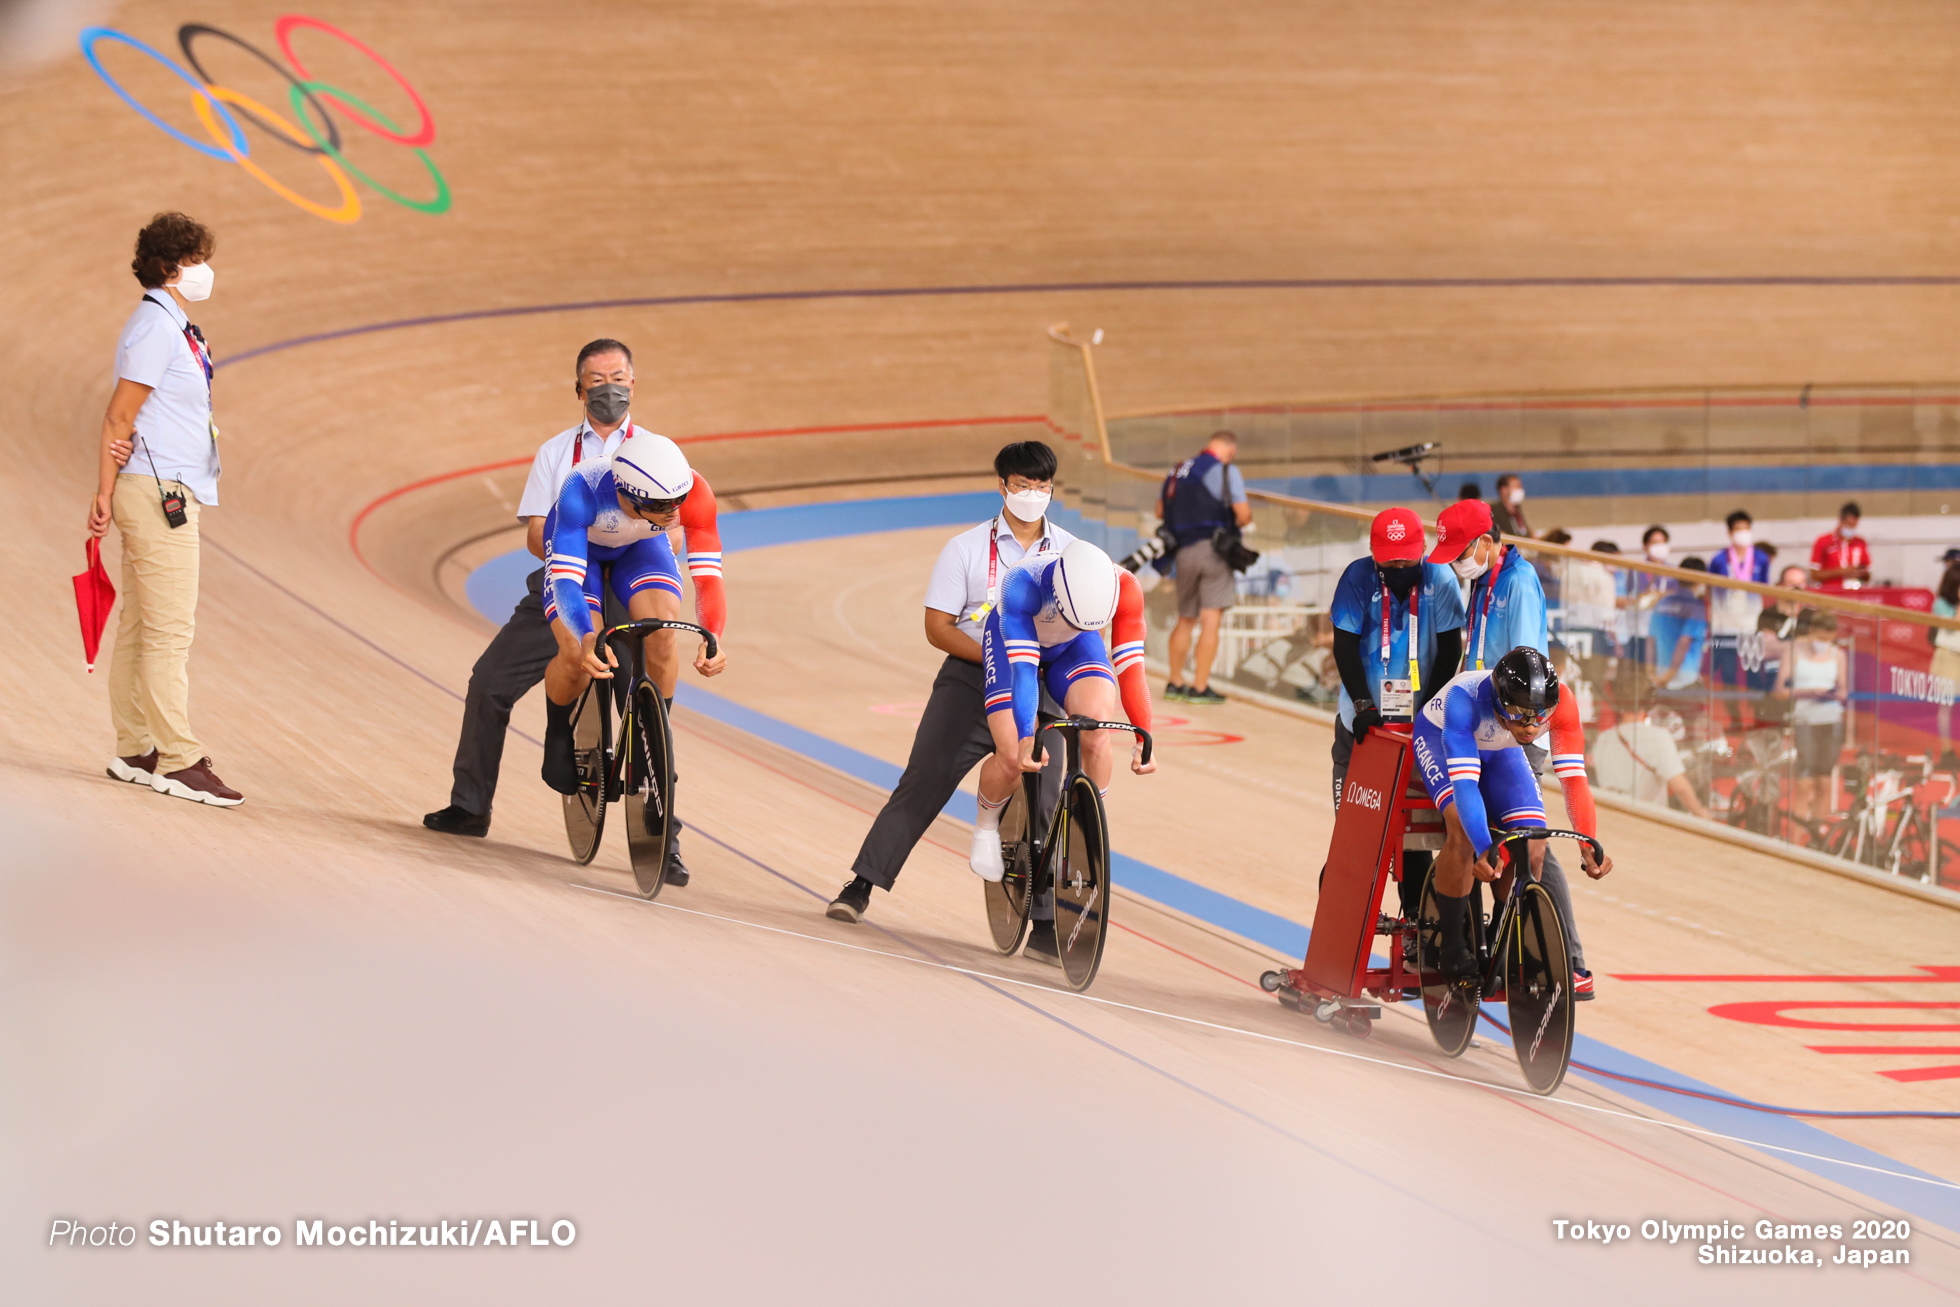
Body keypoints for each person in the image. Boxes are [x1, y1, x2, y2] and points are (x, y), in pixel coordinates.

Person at [827, 442, 1071, 924]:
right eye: (1023, 485)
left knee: (1046, 794)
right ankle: (862, 883)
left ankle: (1042, 917)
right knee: (924, 781)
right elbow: (938, 627)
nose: (1033, 494)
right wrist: (999, 656)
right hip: (971, 680)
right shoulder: (965, 548)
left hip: (1037, 683)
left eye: (1042, 486)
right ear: (1002, 486)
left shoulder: (1067, 551)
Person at [425, 338, 647, 838]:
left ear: (633, 383)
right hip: (564, 582)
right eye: (596, 381)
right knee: (489, 683)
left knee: (645, 696)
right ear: (578, 389)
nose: (608, 389)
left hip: (626, 588)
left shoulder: (654, 451)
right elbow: (534, 533)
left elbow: (671, 527)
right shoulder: (555, 453)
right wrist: (575, 550)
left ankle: (664, 834)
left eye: (617, 378)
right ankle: (470, 805)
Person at [88, 212, 241, 806]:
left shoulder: (173, 325)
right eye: (197, 259)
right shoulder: (156, 327)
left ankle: (136, 747)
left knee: (140, 624)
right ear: (171, 267)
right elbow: (118, 416)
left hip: (157, 485)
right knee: (169, 631)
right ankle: (179, 758)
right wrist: (103, 492)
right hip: (159, 494)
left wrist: (110, 490)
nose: (206, 269)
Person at [537, 422, 729, 886]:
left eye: (677, 504)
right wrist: (585, 635)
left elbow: (708, 576)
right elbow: (565, 582)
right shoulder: (581, 490)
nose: (674, 513)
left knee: (663, 631)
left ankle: (651, 733)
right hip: (579, 553)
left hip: (639, 551)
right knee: (579, 651)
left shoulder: (691, 494)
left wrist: (713, 634)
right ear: (627, 492)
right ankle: (558, 732)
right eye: (662, 507)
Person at [1428, 498, 1598, 996]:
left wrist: (1515, 724)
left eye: (1461, 553)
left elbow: (1528, 668)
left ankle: (1569, 958)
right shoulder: (1484, 576)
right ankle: (1497, 935)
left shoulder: (1518, 582)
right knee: (1498, 835)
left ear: (1485, 542)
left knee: (1532, 843)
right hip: (1481, 715)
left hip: (1515, 719)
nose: (1456, 564)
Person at [969, 541, 1156, 963]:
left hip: (1076, 645)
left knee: (1096, 729)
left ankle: (1088, 824)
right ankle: (984, 827)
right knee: (1012, 755)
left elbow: (1131, 668)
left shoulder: (1125, 588)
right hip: (1011, 640)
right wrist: (1023, 734)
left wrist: (1145, 733)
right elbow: (1023, 671)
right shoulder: (1022, 585)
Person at [1411, 648, 1610, 993]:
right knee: (1461, 831)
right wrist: (1485, 847)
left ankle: (1495, 941)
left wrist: (1587, 843)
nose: (1531, 726)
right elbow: (1466, 786)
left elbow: (1574, 779)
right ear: (1501, 700)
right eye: (1519, 715)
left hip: (1500, 748)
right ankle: (1453, 947)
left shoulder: (1562, 701)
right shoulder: (1465, 698)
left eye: (1538, 716)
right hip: (1441, 737)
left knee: (1533, 846)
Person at [1159, 429, 1251, 705]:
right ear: (1230, 451)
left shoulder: (1179, 470)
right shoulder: (1225, 470)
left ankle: (1175, 682)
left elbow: (1159, 511)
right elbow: (1243, 514)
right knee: (1211, 620)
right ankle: (1200, 687)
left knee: (1185, 619)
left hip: (1183, 552)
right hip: (1214, 551)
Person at [1774, 609, 1847, 827]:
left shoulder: (1838, 655)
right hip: (1805, 720)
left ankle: (1816, 835)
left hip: (1831, 721)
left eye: (1828, 638)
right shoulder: (1795, 651)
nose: (1824, 642)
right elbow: (1779, 690)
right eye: (1820, 638)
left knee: (1824, 782)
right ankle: (1795, 835)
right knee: (1804, 783)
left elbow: (1844, 692)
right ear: (1812, 632)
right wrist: (1807, 692)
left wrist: (1829, 694)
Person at [1707, 510, 1773, 727]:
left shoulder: (1761, 558)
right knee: (1728, 675)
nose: (1742, 533)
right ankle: (1734, 717)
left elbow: (1764, 589)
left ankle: (1758, 717)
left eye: (1746, 529)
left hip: (1750, 625)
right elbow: (1711, 593)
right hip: (1724, 627)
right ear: (1729, 532)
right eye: (1738, 529)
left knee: (1753, 672)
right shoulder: (1718, 560)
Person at [1591, 705, 1709, 819]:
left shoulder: (1603, 738)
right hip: (1647, 820)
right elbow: (1681, 788)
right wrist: (1700, 813)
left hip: (1611, 817)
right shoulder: (1658, 736)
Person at [1649, 557, 1710, 691]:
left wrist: (1651, 673)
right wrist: (1669, 675)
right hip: (1684, 680)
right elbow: (1684, 642)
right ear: (1701, 580)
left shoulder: (1662, 603)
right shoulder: (1695, 607)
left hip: (1660, 679)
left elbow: (1651, 640)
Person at [1932, 562, 1960, 773]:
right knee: (1946, 707)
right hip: (1948, 658)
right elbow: (1950, 628)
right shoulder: (1941, 604)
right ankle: (1947, 750)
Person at [1811, 502, 1872, 591]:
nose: (1851, 528)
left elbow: (1868, 576)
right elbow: (1814, 575)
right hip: (1832, 592)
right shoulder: (1823, 541)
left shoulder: (1860, 543)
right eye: (1849, 524)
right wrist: (1842, 572)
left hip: (1855, 592)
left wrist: (1861, 573)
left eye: (1853, 525)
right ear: (1841, 520)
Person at [1491, 473, 1532, 539]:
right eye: (1516, 486)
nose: (1520, 490)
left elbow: (1524, 531)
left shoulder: (1517, 509)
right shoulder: (1493, 511)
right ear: (1503, 490)